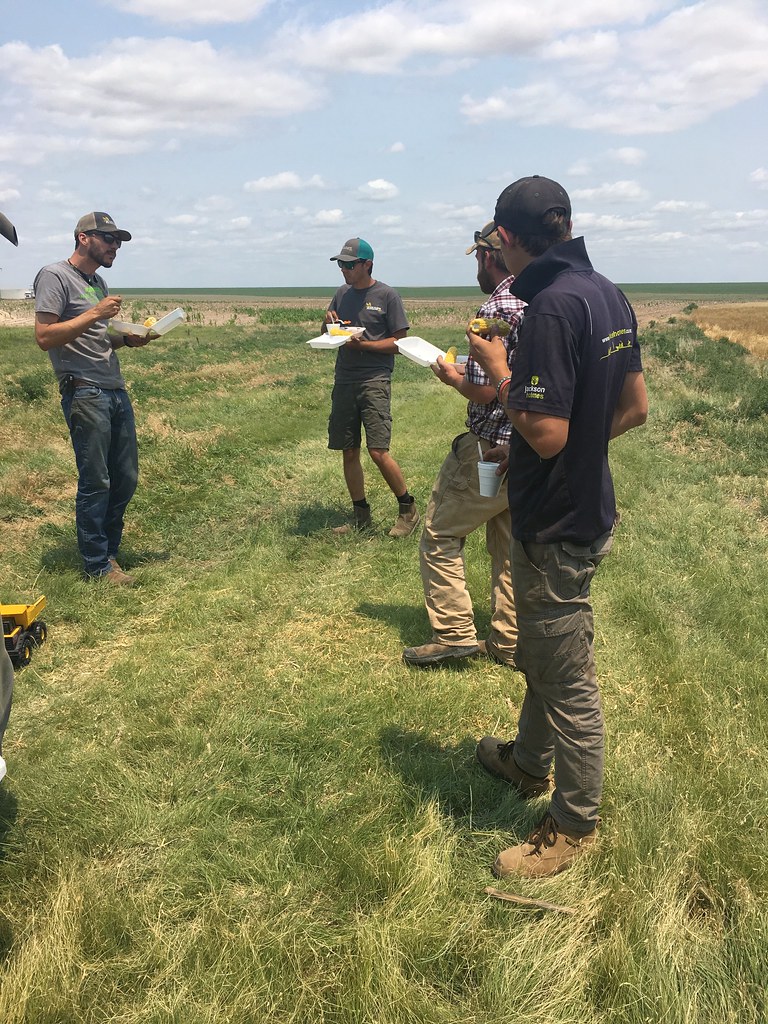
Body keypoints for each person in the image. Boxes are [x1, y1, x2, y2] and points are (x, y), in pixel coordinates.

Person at [468, 176, 648, 877]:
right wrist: (566, 446)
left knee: (566, 673)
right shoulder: (607, 293)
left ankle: (574, 825)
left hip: (556, 521)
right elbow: (632, 409)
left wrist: (496, 368)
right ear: (566, 222)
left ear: (506, 239)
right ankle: (525, 760)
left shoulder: (545, 308)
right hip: (590, 506)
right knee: (545, 648)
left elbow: (543, 431)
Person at [402, 223, 526, 667]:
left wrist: (452, 375)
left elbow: (485, 389)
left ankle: (455, 634)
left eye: (477, 258)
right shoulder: (542, 298)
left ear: (488, 256)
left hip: (489, 449)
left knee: (440, 533)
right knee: (509, 547)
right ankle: (511, 642)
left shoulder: (496, 306)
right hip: (529, 447)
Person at [34, 212, 150, 586]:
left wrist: (127, 338)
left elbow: (98, 337)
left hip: (113, 387)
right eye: (109, 238)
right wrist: (97, 312)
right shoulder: (54, 276)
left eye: (118, 241)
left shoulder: (97, 281)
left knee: (126, 477)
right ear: (84, 238)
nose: (115, 246)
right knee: (96, 479)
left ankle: (109, 553)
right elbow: (45, 336)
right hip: (84, 389)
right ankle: (97, 565)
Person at [324, 237, 419, 538]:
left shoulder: (387, 295)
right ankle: (360, 516)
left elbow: (401, 342)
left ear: (367, 264)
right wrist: (328, 323)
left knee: (378, 451)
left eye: (350, 265)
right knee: (348, 450)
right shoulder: (341, 294)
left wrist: (366, 346)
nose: (344, 270)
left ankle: (408, 509)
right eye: (341, 264)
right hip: (345, 379)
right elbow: (330, 333)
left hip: (374, 381)